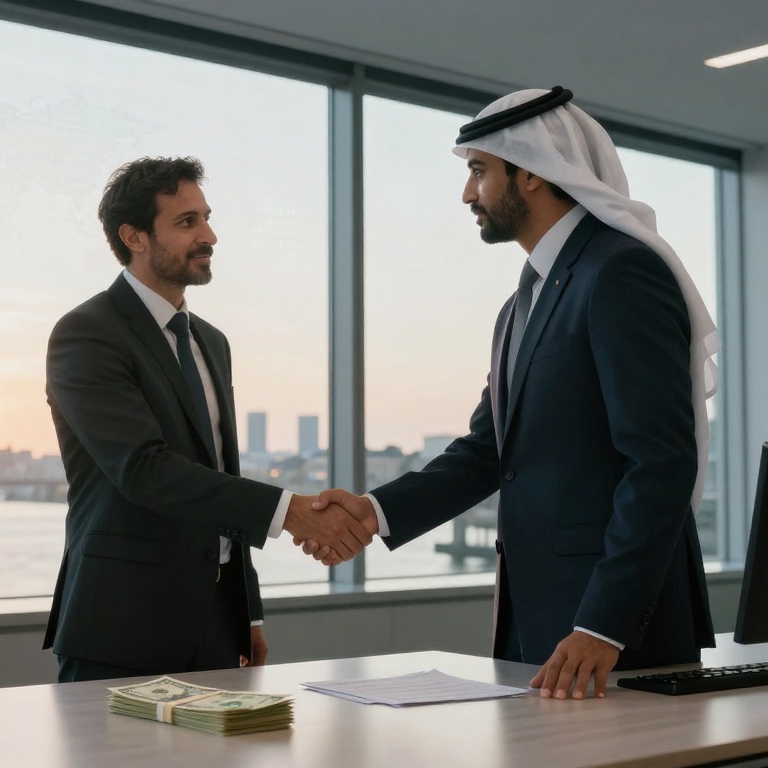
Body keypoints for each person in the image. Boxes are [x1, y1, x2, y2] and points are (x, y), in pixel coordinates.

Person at [303, 87, 719, 699]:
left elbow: (661, 462)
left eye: (479, 171)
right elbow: (488, 451)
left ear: (531, 172)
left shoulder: (619, 271)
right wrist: (374, 511)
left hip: (614, 634)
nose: (467, 194)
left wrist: (603, 624)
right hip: (539, 624)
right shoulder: (520, 304)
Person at [43, 156, 375, 683]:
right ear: (134, 237)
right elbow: (144, 470)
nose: (209, 236)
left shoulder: (211, 342)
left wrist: (248, 611)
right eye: (186, 222)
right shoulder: (87, 333)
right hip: (121, 628)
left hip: (219, 625)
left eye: (206, 218)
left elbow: (220, 474)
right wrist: (290, 512)